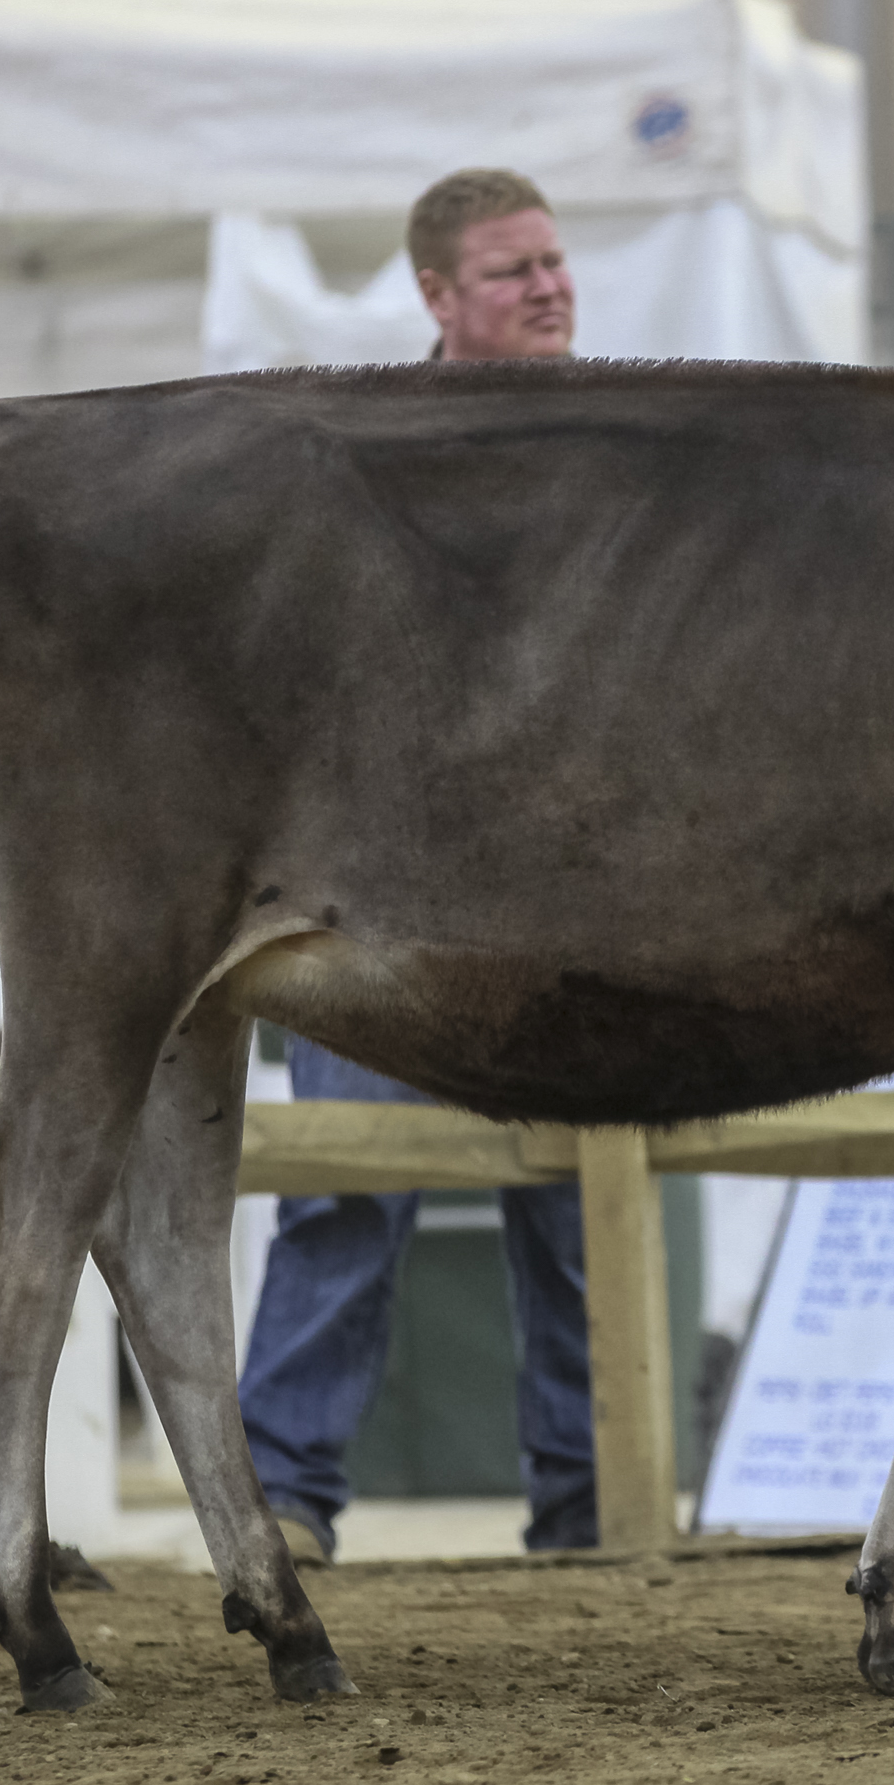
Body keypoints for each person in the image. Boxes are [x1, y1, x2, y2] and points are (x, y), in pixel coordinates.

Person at [236, 169, 597, 1563]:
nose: (549, 287)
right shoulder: (370, 453)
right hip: (382, 885)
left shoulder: (622, 444)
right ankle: (283, 1494)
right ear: (437, 293)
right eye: (514, 270)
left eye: (554, 261)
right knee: (349, 1182)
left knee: (583, 1191)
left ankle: (589, 1501)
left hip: (571, 891)